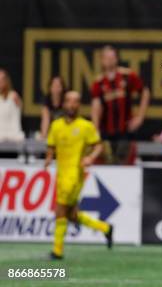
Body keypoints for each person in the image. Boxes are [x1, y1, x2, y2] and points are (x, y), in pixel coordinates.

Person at [44, 91, 113, 260]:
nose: (72, 104)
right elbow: (51, 146)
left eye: (75, 101)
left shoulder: (85, 126)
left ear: (79, 105)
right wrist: (47, 158)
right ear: (64, 104)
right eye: (69, 101)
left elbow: (98, 146)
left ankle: (57, 251)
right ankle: (105, 228)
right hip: (60, 174)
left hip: (75, 175)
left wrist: (90, 157)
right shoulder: (56, 125)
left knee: (60, 210)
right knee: (71, 215)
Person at [91, 45, 150, 164]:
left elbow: (145, 92)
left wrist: (140, 117)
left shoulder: (127, 76)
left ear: (117, 59)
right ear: (102, 60)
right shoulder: (99, 82)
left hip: (125, 131)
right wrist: (95, 130)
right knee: (107, 164)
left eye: (112, 57)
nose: (110, 60)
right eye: (107, 58)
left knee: (125, 164)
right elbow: (95, 108)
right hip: (105, 132)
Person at [0, 69, 24, 142]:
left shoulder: (13, 96)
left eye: (2, 79)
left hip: (13, 136)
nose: (0, 81)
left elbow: (19, 109)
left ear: (7, 81)